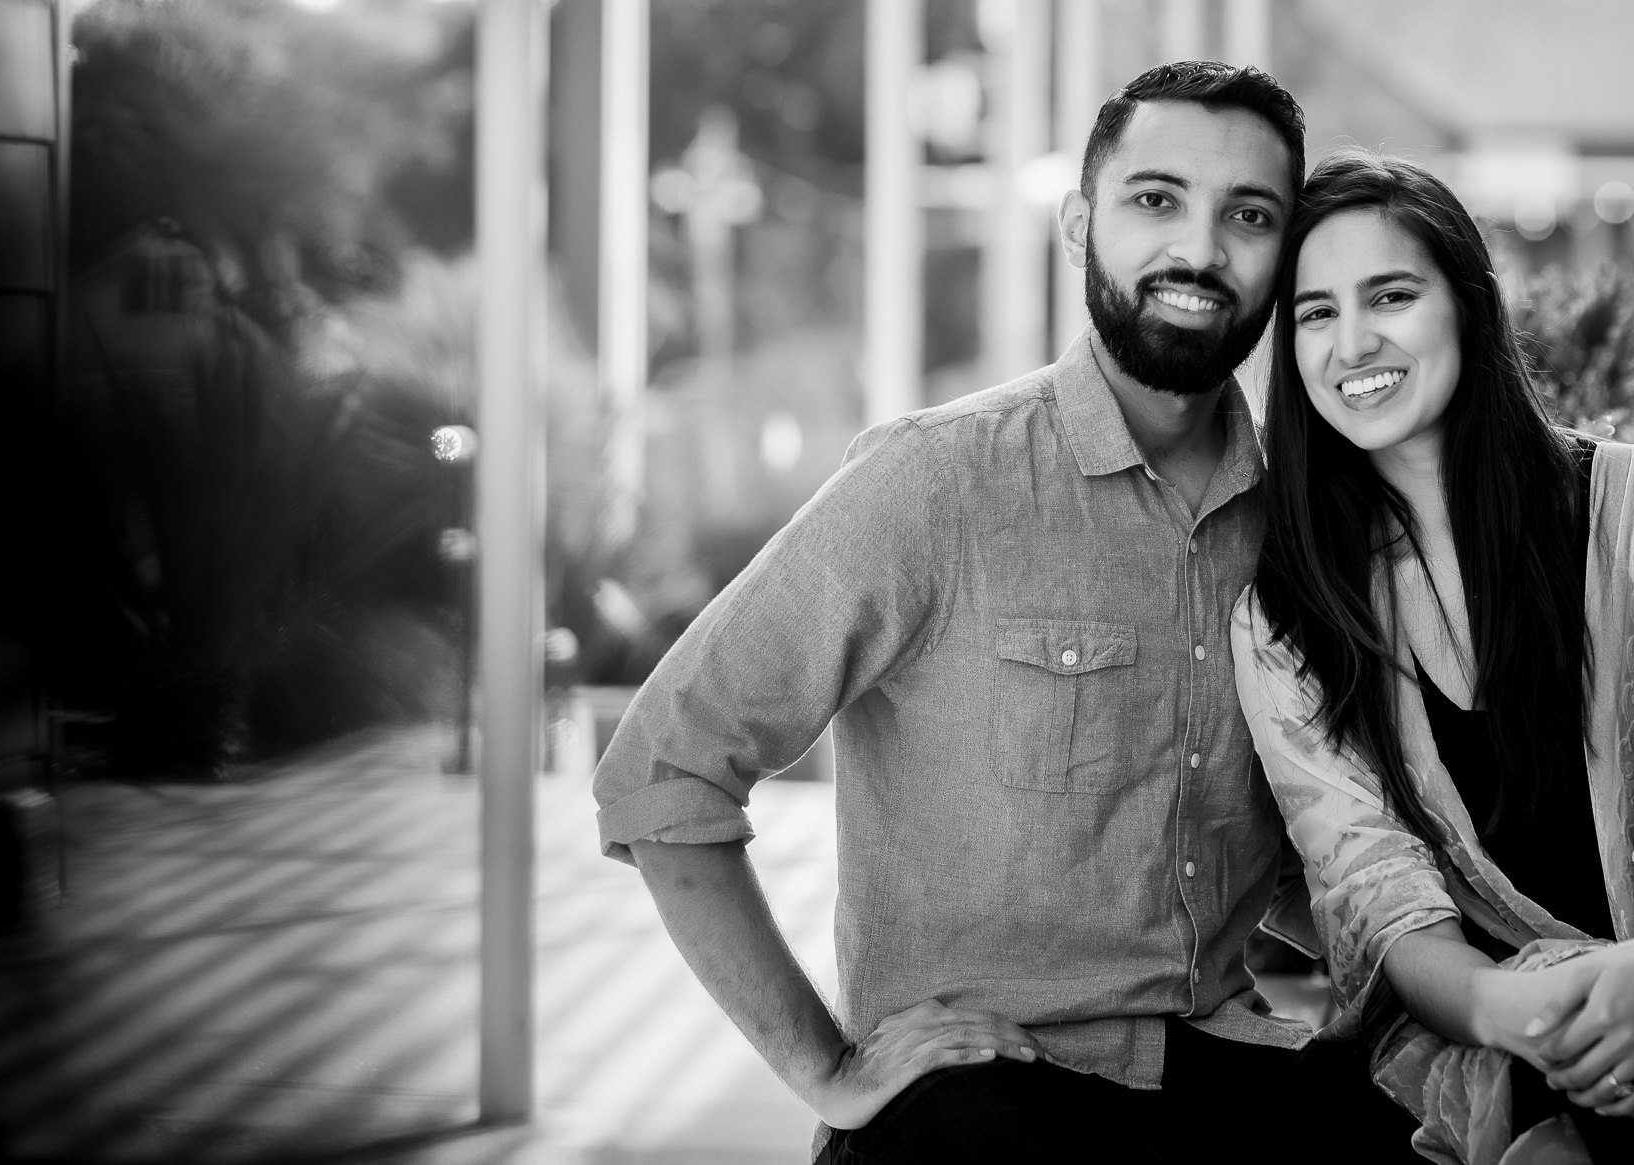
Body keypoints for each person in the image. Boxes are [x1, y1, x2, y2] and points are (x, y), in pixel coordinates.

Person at [594, 63, 1422, 1164]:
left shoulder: (1296, 526)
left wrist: (1499, 981)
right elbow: (664, 770)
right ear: (1080, 225)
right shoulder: (934, 481)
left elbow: (1297, 856)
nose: (1200, 249)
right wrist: (826, 1069)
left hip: (1222, 1071)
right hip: (979, 1103)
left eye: (1249, 215)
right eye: (1155, 199)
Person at [1231, 153, 1634, 1165]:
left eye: (1392, 295)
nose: (1353, 340)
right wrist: (1527, 1018)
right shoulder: (1287, 615)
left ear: (1467, 303)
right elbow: (1373, 890)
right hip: (1464, 1023)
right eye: (1316, 313)